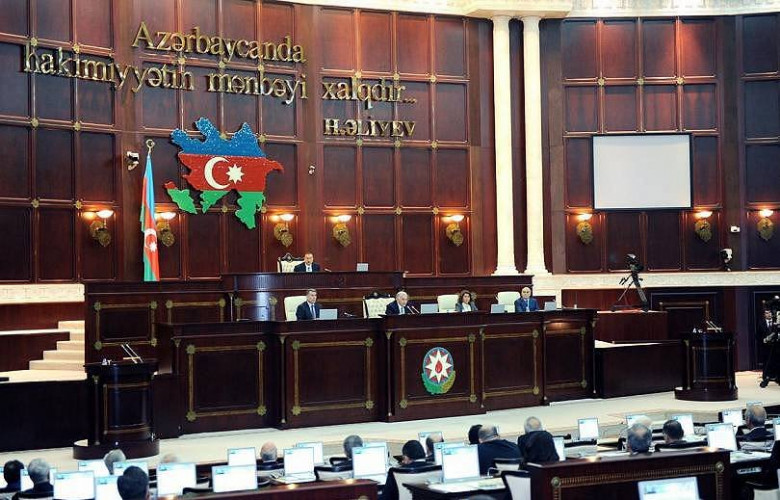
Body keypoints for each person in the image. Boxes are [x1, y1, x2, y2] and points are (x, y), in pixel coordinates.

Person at [759, 310, 778, 387]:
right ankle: (765, 377)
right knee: (766, 362)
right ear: (764, 315)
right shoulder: (761, 323)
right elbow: (758, 335)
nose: (769, 314)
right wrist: (763, 340)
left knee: (775, 361)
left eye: (770, 313)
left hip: (775, 346)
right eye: (767, 313)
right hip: (765, 346)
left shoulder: (776, 323)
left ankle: (775, 376)